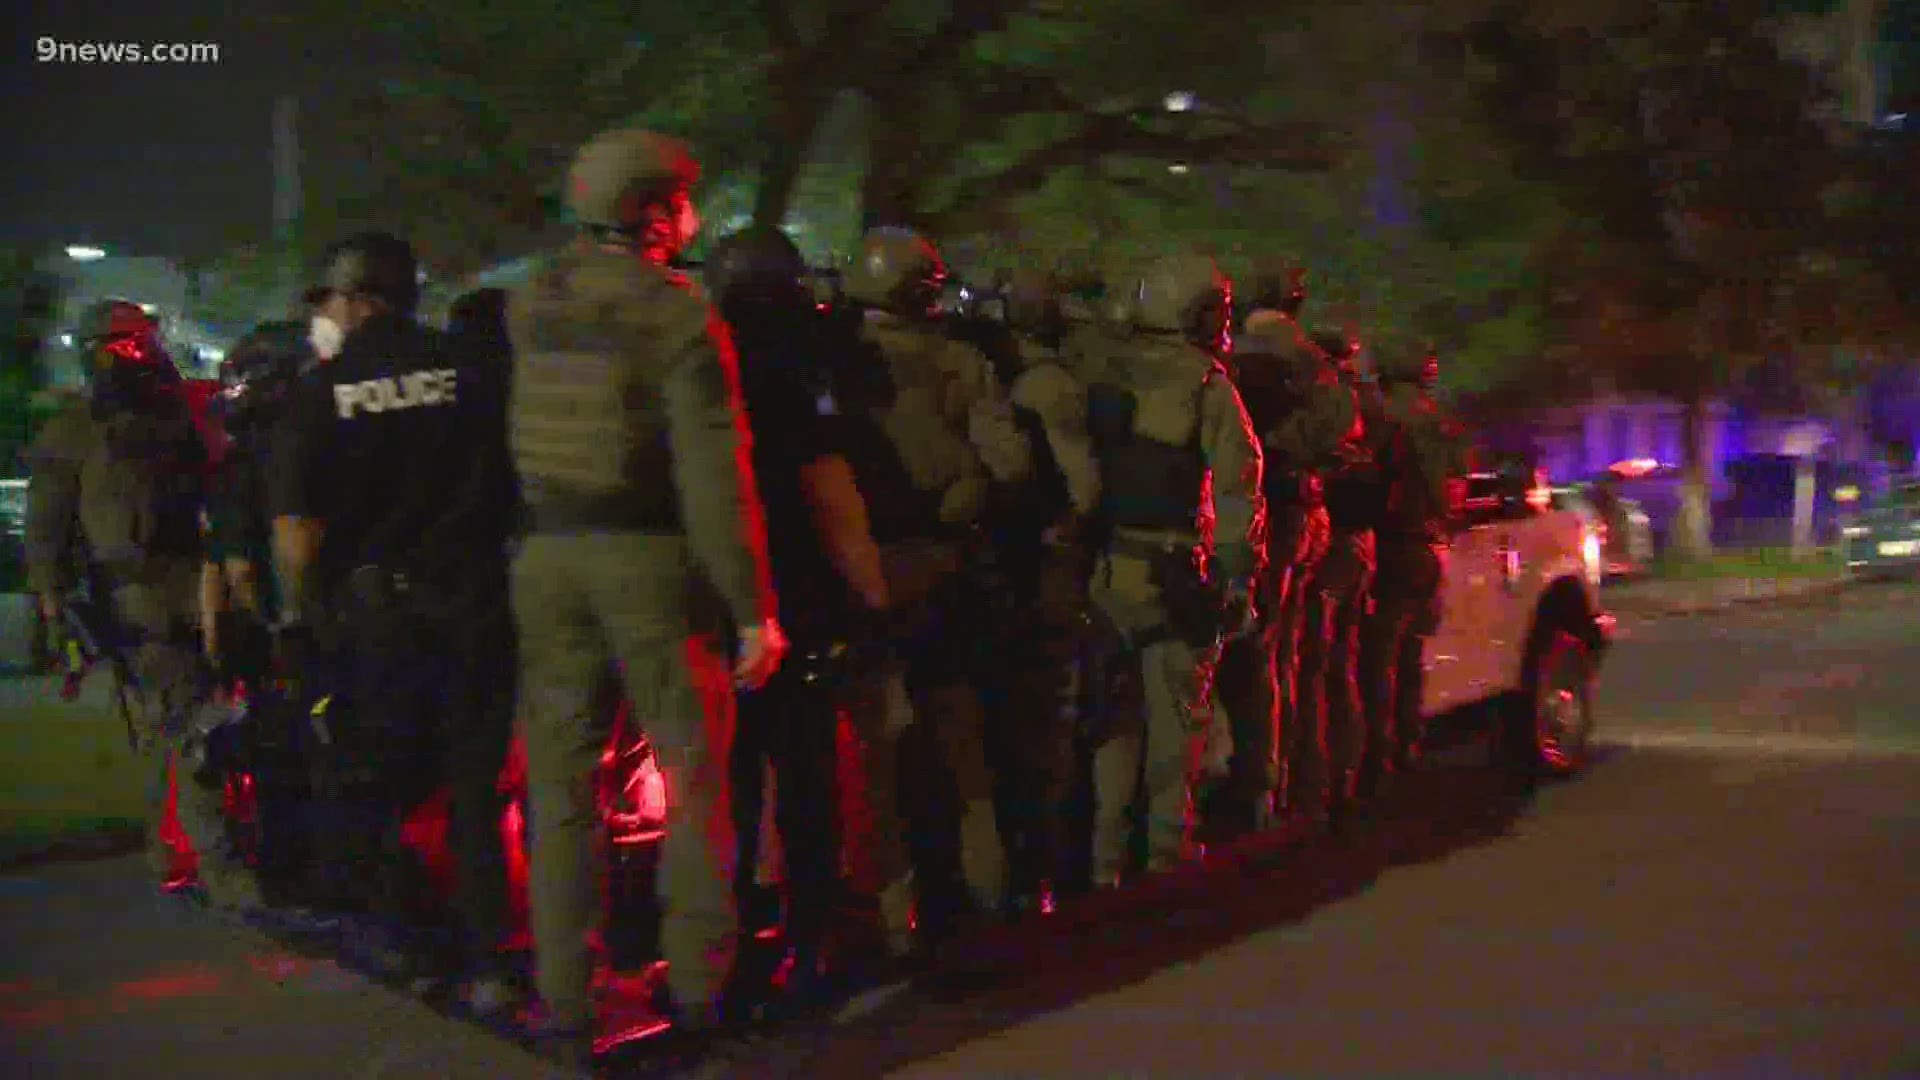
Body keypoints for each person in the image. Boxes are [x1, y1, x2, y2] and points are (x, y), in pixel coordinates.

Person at [504, 128, 785, 1062]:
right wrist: (752, 607)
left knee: (561, 786)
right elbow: (715, 473)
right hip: (648, 560)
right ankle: (700, 984)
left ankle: (565, 995)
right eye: (683, 200)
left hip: (547, 557)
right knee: (697, 777)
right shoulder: (676, 315)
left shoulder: (530, 299)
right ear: (655, 211)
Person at [268, 231, 521, 1013]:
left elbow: (297, 527)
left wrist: (304, 612)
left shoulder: (324, 387)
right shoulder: (477, 370)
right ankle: (491, 962)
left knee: (378, 785)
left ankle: (416, 946)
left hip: (381, 618)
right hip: (479, 601)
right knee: (478, 793)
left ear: (355, 299)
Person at [702, 225, 890, 995]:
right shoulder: (806, 359)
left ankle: (733, 939)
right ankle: (810, 936)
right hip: (797, 592)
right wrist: (872, 598)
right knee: (806, 772)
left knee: (728, 779)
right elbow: (828, 487)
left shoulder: (696, 354)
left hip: (714, 593)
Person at [24, 298, 258, 907]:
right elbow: (47, 526)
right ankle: (216, 865)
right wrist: (54, 610)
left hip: (188, 589)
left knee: (173, 728)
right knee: (190, 726)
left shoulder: (178, 410)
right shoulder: (83, 425)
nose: (129, 357)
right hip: (138, 601)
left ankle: (178, 854)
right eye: (120, 346)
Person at [837, 224, 1020, 953]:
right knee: (960, 746)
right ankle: (986, 895)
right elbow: (1008, 465)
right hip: (943, 567)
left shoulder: (837, 361)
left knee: (876, 757)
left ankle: (890, 920)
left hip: (859, 570)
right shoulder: (962, 364)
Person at [1077, 253, 1264, 884]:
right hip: (1174, 573)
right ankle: (1167, 859)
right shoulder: (1208, 387)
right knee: (1176, 727)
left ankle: (1103, 864)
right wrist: (1239, 577)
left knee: (1113, 725)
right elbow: (1240, 486)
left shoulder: (1099, 370)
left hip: (1108, 574)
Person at [203, 320, 311, 903]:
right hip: (308, 622)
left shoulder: (239, 467)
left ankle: (285, 876)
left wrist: (233, 637)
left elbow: (231, 566)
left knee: (278, 759)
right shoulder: (308, 447)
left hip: (271, 629)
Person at [1360, 339, 1470, 791]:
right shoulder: (1443, 423)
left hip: (1393, 544)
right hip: (1433, 547)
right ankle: (1408, 743)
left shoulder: (1379, 417)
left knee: (1376, 658)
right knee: (1410, 656)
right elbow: (1457, 492)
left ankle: (1377, 755)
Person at [1301, 330, 1379, 830]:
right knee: (1345, 666)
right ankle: (1350, 780)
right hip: (1362, 542)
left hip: (1339, 544)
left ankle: (1325, 789)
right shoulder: (1361, 401)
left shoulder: (1327, 401)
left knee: (1319, 668)